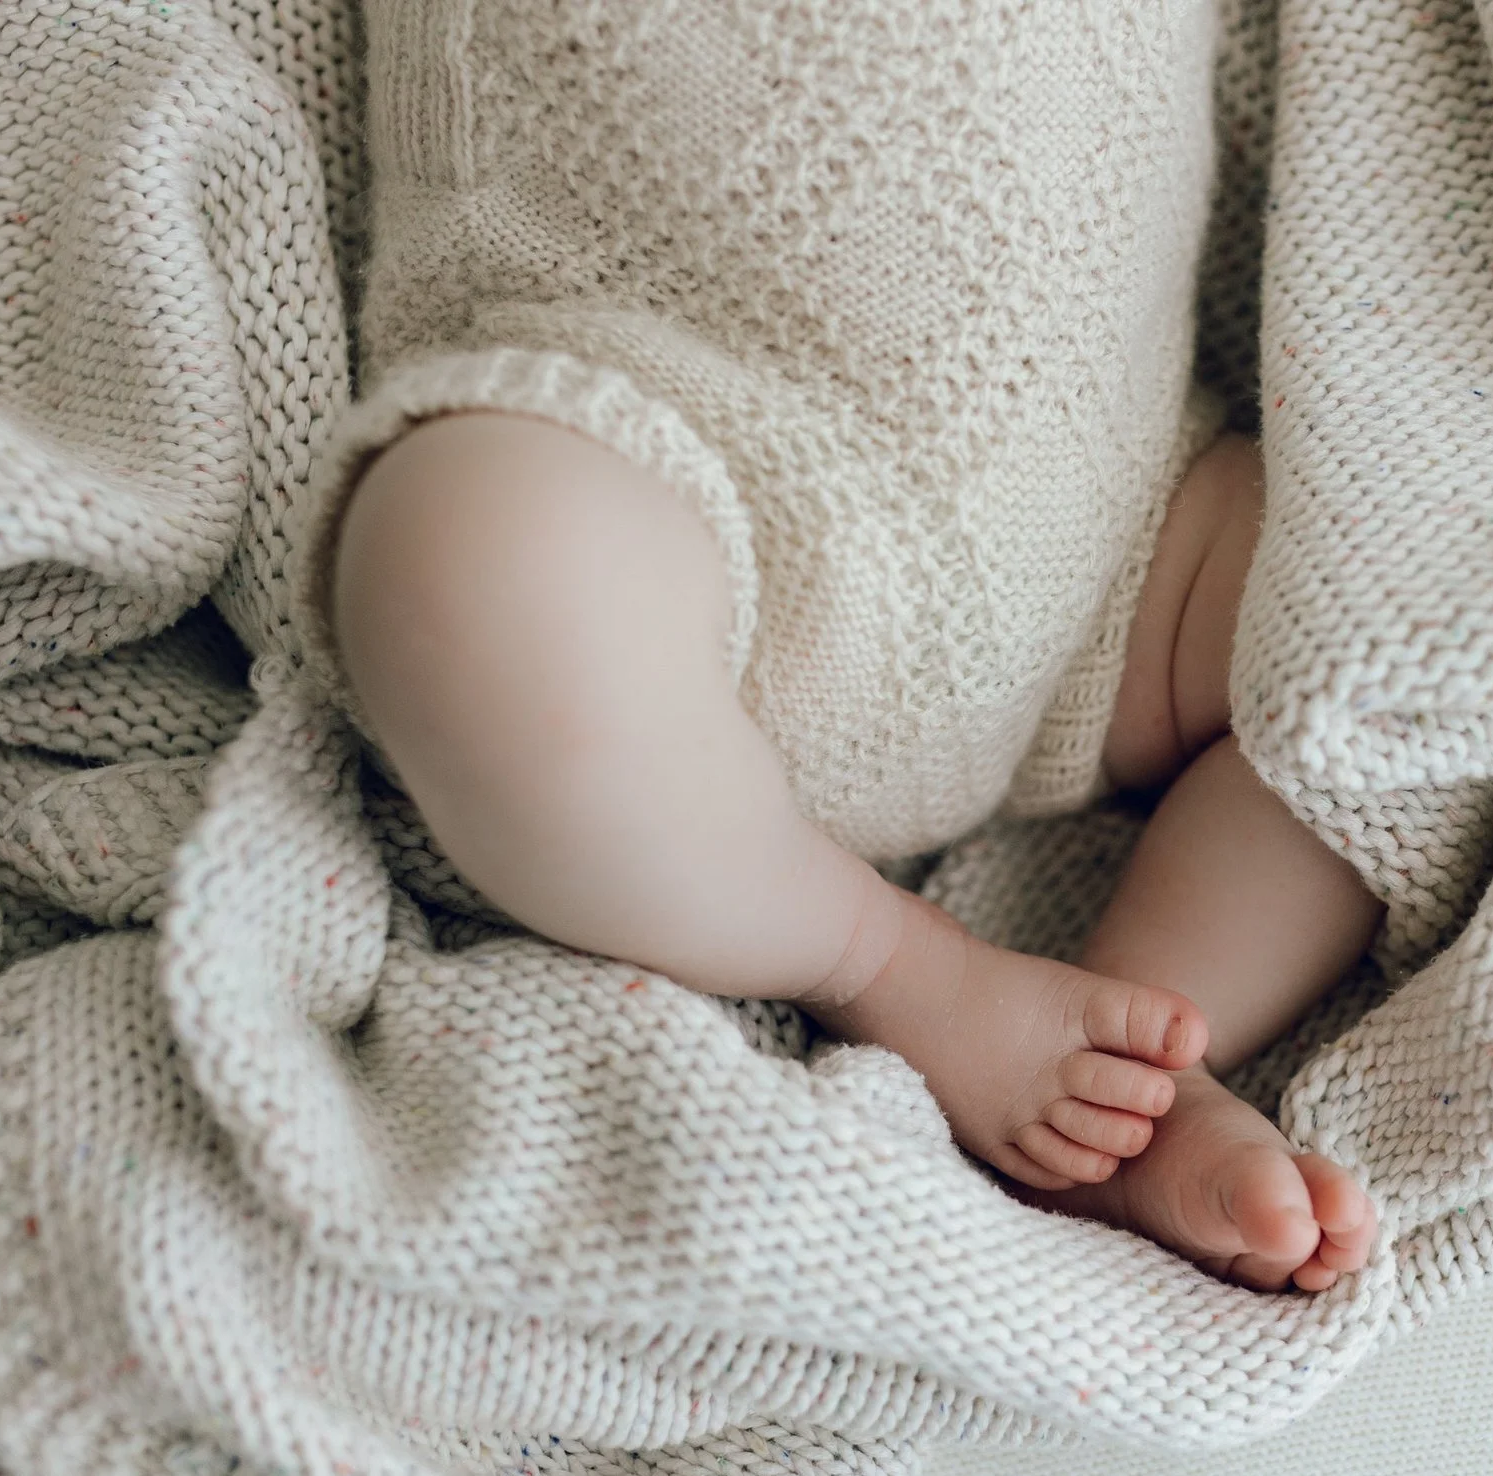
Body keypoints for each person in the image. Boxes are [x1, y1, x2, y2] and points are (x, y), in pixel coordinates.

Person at [319, 0, 1379, 1290]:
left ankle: (1140, 1074)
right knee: (474, 556)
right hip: (669, 464)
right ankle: (880, 960)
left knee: (1409, 615)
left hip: (1127, 545)